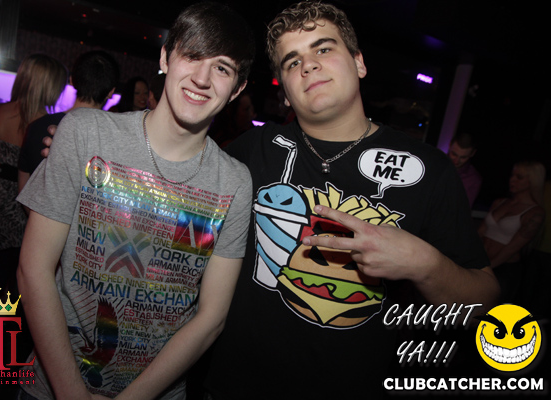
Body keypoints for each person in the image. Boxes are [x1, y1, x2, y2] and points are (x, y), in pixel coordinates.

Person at [200, 2, 499, 399]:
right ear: (284, 93)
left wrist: (423, 263)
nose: (308, 65)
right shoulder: (254, 149)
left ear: (359, 63)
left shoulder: (431, 170)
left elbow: (484, 303)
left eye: (323, 49)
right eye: (292, 62)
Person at [16, 2, 254, 399]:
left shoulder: (234, 182)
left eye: (222, 68)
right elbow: (33, 268)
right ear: (165, 58)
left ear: (238, 88)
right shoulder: (85, 133)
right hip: (53, 386)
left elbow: (211, 318)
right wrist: (70, 392)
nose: (202, 78)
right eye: (192, 56)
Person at [0, 53, 67, 362]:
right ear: (49, 86)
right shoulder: (49, 126)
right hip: (27, 207)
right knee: (23, 287)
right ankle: (8, 355)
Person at [18, 50, 120, 191]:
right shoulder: (114, 137)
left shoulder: (37, 126)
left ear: (72, 81)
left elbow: (23, 187)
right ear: (111, 92)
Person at [478, 160, 545, 303]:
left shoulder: (535, 213)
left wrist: (487, 268)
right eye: (512, 175)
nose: (512, 180)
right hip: (481, 262)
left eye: (519, 177)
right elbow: (480, 232)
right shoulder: (500, 202)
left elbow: (511, 248)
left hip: (503, 268)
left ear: (532, 181)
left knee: (492, 311)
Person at [448, 132, 482, 207]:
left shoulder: (473, 180)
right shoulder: (436, 164)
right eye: (454, 154)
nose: (456, 161)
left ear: (472, 153)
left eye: (463, 157)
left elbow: (462, 210)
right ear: (450, 145)